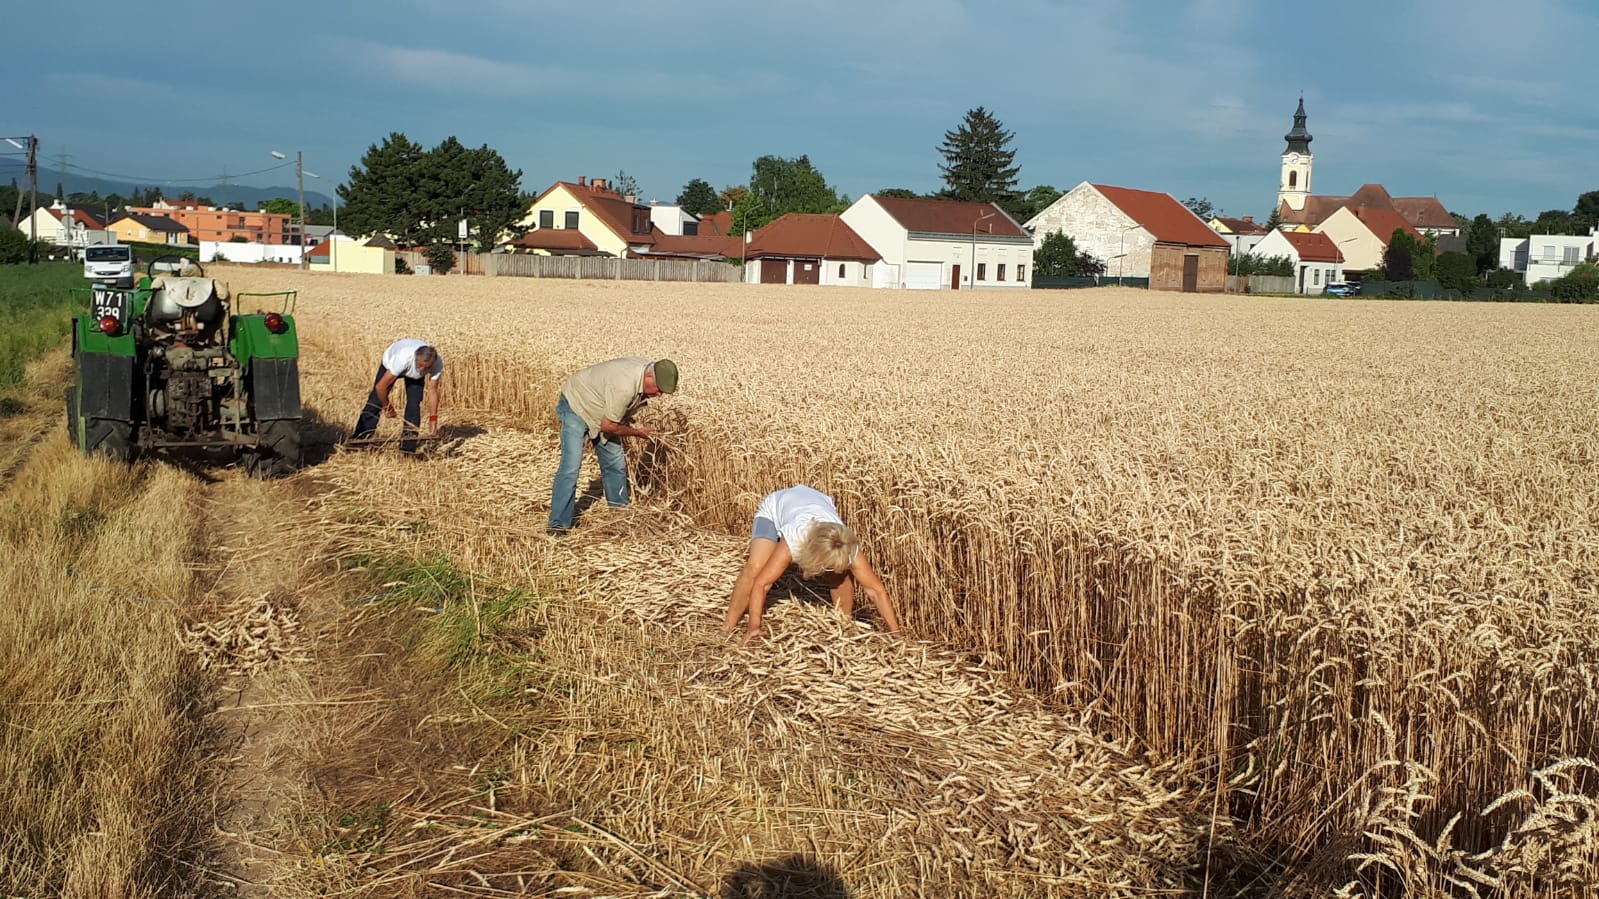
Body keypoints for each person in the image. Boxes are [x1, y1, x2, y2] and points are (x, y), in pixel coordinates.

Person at [722, 484, 901, 644]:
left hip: (816, 501)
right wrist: (754, 626)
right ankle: (727, 628)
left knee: (840, 575)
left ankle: (843, 626)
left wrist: (896, 634)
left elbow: (876, 591)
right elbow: (762, 584)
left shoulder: (846, 545)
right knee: (755, 568)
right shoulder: (794, 538)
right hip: (775, 507)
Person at [547, 357, 678, 533]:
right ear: (648, 376)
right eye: (659, 390)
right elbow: (608, 426)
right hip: (576, 405)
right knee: (571, 466)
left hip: (601, 411)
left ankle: (620, 518)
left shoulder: (648, 372)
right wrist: (637, 433)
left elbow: (611, 419)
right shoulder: (624, 386)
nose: (659, 395)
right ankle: (558, 524)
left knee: (615, 465)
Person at [352, 338, 444, 453]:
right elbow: (380, 387)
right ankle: (359, 440)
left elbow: (433, 391)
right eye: (420, 365)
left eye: (426, 368)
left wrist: (433, 421)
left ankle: (407, 448)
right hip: (392, 363)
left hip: (413, 375)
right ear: (415, 359)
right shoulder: (402, 359)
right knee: (375, 401)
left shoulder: (437, 363)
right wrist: (387, 407)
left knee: (414, 406)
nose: (422, 370)